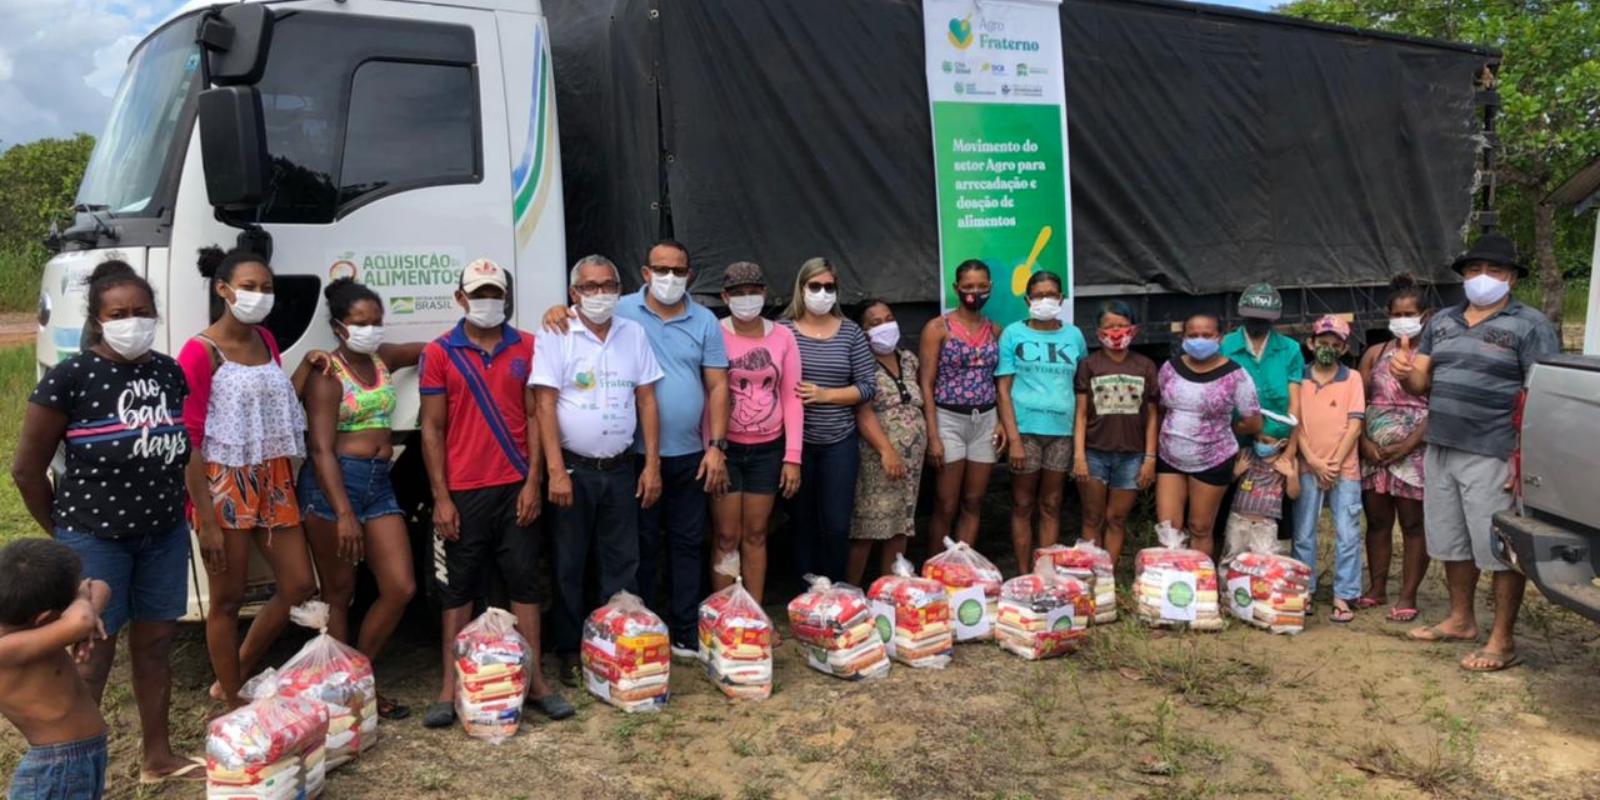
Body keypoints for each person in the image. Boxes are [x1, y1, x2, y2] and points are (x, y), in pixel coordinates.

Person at [9, 261, 202, 783]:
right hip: (95, 538)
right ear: (98, 319)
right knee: (92, 654)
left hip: (162, 534)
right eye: (119, 313)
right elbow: (27, 471)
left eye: (142, 312)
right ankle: (76, 769)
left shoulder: (167, 372)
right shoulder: (70, 379)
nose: (132, 321)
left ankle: (157, 758)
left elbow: (180, 453)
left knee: (157, 644)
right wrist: (66, 535)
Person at [541, 241, 728, 658]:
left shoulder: (696, 322)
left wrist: (715, 445)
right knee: (614, 553)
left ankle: (670, 633)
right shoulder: (610, 313)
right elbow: (549, 390)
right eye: (661, 269)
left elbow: (710, 386)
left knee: (678, 544)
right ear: (645, 273)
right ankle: (594, 642)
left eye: (679, 271)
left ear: (691, 275)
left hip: (681, 456)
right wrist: (555, 311)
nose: (669, 278)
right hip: (618, 460)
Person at [1391, 233, 1559, 672]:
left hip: (1493, 451)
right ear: (1463, 277)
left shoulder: (1531, 325)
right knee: (1451, 540)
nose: (1482, 279)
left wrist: (1523, 461)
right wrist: (1404, 373)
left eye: (1494, 271)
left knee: (1500, 549)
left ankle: (1501, 640)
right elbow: (1420, 384)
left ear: (1512, 279)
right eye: (1473, 271)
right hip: (1442, 446)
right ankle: (1461, 619)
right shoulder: (1442, 321)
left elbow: (1543, 396)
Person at [418, 258, 571, 728]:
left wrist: (533, 482)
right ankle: (449, 687)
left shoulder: (529, 346)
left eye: (495, 293)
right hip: (463, 491)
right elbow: (432, 428)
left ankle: (537, 684)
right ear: (460, 298)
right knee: (456, 592)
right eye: (478, 294)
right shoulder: (440, 352)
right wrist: (441, 497)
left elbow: (533, 418)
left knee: (525, 583)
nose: (488, 302)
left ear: (506, 297)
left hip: (515, 489)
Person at [179, 246, 317, 708]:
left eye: (266, 288)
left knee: (299, 583)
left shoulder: (267, 340)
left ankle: (234, 669)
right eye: (249, 287)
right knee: (227, 599)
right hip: (224, 480)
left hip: (273, 474)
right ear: (223, 290)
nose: (259, 296)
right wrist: (207, 518)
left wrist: (305, 368)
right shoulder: (201, 352)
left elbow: (271, 408)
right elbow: (189, 440)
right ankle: (233, 699)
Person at [533, 255, 664, 684]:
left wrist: (652, 465)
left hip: (622, 467)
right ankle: (570, 649)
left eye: (609, 285)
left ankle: (614, 642)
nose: (601, 294)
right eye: (590, 287)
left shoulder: (633, 333)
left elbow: (646, 399)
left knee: (622, 561)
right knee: (569, 563)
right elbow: (545, 404)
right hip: (574, 469)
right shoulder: (556, 332)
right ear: (574, 293)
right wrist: (554, 470)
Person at [298, 278, 425, 720]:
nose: (370, 329)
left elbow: (434, 349)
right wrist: (345, 514)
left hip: (379, 481)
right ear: (338, 326)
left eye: (376, 322)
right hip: (336, 486)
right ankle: (339, 693)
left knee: (400, 587)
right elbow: (320, 450)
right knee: (340, 593)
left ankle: (356, 678)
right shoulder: (327, 374)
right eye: (360, 323)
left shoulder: (383, 357)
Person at [712, 262, 802, 603]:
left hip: (768, 450)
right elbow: (711, 395)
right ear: (725, 296)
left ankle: (754, 614)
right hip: (727, 450)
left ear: (764, 293)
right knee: (725, 535)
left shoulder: (783, 336)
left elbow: (793, 398)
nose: (746, 299)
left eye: (753, 292)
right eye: (738, 293)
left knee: (756, 534)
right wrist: (714, 449)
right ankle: (721, 616)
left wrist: (792, 457)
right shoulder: (714, 332)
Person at [781, 257, 875, 582]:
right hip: (796, 445)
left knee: (836, 523)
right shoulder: (783, 331)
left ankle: (835, 593)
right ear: (801, 288)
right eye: (815, 286)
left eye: (829, 287)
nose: (822, 293)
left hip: (839, 443)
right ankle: (805, 598)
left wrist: (826, 395)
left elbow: (867, 386)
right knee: (801, 522)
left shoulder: (850, 332)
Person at [0, 539, 112, 800]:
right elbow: (81, 618)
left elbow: (101, 587)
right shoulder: (7, 648)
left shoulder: (27, 620)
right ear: (46, 618)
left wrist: (89, 610)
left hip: (77, 759)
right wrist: (83, 603)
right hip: (56, 767)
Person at [996, 272, 1088, 573]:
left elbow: (1081, 387)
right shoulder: (1012, 334)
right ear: (1027, 300)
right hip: (1026, 432)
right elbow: (1003, 390)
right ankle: (1024, 574)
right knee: (1023, 504)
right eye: (1038, 295)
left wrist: (1078, 446)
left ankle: (1045, 572)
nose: (1045, 300)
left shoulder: (1074, 336)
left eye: (1051, 294)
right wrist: (1014, 438)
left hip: (1061, 432)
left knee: (1051, 504)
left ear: (1061, 299)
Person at [1156, 313, 1263, 559]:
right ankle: (1169, 586)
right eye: (1193, 335)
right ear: (1183, 337)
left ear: (1220, 337)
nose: (1199, 340)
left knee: (1200, 527)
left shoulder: (1236, 375)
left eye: (1207, 335)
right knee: (1168, 530)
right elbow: (1162, 407)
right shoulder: (1169, 368)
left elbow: (1253, 421)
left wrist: (1223, 430)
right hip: (1170, 459)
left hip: (1212, 461)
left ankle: (1201, 586)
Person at [1357, 276, 1431, 622]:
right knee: (1376, 521)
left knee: (1414, 524)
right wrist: (1365, 443)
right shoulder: (1375, 354)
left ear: (1424, 315)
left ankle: (1408, 593)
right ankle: (1377, 587)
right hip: (1374, 454)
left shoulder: (1430, 357)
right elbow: (1356, 404)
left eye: (1410, 312)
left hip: (1414, 451)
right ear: (1388, 316)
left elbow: (1439, 406)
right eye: (1397, 313)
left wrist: (1406, 445)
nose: (1404, 318)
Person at [919, 260, 1002, 554]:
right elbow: (926, 384)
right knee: (945, 504)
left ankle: (963, 569)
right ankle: (935, 569)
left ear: (990, 287)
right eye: (968, 287)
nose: (974, 292)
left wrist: (1002, 421)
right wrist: (933, 435)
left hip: (986, 420)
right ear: (956, 288)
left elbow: (1001, 382)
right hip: (948, 419)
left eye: (981, 286)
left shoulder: (995, 330)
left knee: (973, 501)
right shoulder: (938, 328)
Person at [1072, 301, 1160, 567]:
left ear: (1133, 329)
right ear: (1098, 330)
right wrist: (1079, 455)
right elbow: (1081, 414)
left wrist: (1149, 458)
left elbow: (1153, 415)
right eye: (1109, 326)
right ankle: (1090, 574)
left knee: (1116, 518)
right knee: (1092, 517)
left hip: (1132, 456)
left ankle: (1107, 575)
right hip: (1094, 452)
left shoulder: (1145, 366)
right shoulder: (1089, 365)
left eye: (1122, 326)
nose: (1116, 332)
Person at [1292, 316, 1366, 623]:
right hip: (1309, 467)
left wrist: (1333, 463)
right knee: (1304, 533)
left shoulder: (1353, 379)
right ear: (1310, 343)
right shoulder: (1299, 377)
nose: (1328, 349)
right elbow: (1294, 422)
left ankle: (1344, 594)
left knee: (1348, 533)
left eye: (1335, 345)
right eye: (1322, 343)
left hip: (1344, 469)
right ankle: (1303, 590)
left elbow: (1355, 425)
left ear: (1345, 348)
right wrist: (1314, 461)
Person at [847, 300, 925, 586]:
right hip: (877, 456)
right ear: (863, 331)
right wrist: (886, 450)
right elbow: (861, 412)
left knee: (899, 525)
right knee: (868, 526)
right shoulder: (861, 362)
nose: (885, 326)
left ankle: (889, 592)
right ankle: (852, 592)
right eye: (875, 322)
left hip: (911, 461)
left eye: (888, 318)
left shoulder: (908, 359)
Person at [1221, 283, 1305, 546]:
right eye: (1251, 317)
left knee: (1271, 522)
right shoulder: (1226, 346)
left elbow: (1295, 407)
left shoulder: (1289, 349)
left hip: (1274, 450)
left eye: (1263, 318)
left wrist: (1289, 453)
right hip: (1235, 446)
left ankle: (1266, 575)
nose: (1257, 322)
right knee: (1226, 515)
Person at [1224, 429, 1300, 557]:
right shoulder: (1245, 454)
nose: (1259, 444)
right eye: (1256, 440)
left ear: (1282, 443)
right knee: (1232, 559)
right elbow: (1227, 482)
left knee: (1264, 564)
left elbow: (1294, 494)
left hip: (1266, 526)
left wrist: (1290, 475)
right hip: (1238, 521)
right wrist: (1236, 472)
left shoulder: (1288, 462)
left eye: (1266, 441)